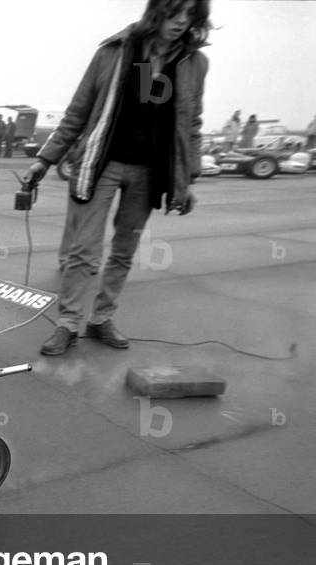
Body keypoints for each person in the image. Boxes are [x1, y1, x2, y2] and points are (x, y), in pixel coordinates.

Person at [24, 0, 210, 356]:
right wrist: (46, 160)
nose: (181, 22)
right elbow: (78, 111)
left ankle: (102, 317)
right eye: (174, 12)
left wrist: (189, 179)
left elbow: (192, 124)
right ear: (157, 11)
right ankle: (68, 323)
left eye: (190, 15)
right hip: (103, 164)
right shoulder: (115, 51)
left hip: (150, 171)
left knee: (125, 250)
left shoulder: (194, 62)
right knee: (84, 249)